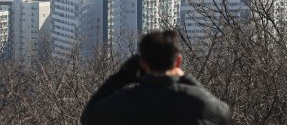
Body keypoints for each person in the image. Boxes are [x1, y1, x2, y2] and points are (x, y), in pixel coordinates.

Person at [81, 30, 231, 125]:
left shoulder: (125, 101)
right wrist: (185, 77)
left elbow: (89, 116)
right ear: (178, 61)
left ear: (142, 63)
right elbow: (223, 113)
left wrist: (121, 78)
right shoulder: (198, 103)